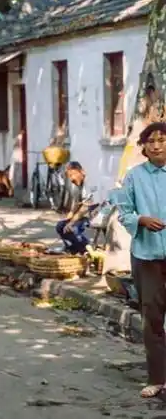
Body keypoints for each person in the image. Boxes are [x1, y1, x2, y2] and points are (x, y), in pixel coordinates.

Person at [117, 121, 166, 399]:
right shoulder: (134, 176)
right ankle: (157, 378)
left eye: (162, 139)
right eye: (151, 141)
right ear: (144, 147)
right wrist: (141, 220)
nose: (157, 145)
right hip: (146, 256)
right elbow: (123, 212)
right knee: (152, 318)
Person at [54, 161, 96, 254]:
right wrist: (70, 216)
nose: (71, 178)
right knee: (60, 226)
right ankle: (71, 247)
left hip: (96, 214)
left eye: (73, 174)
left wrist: (72, 222)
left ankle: (86, 248)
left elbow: (85, 207)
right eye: (69, 176)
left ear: (82, 172)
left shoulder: (89, 184)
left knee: (74, 228)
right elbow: (77, 203)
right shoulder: (77, 185)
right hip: (85, 214)